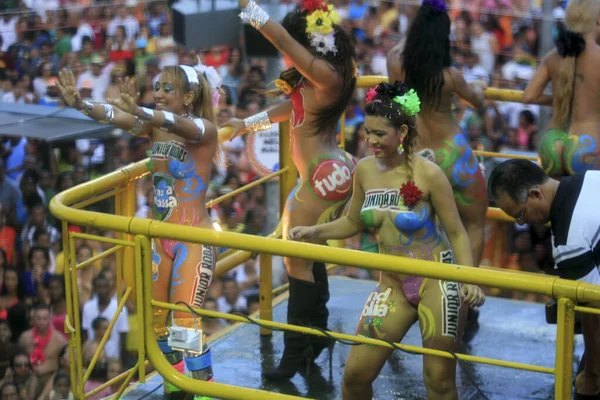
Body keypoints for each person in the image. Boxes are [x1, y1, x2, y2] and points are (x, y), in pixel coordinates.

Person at [289, 82, 485, 399]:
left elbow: (458, 231)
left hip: (438, 279)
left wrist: (471, 279)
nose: (370, 140)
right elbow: (353, 220)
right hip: (391, 283)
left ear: (402, 132)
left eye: (380, 134)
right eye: (368, 132)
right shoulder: (363, 170)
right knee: (354, 375)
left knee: (438, 380)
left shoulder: (430, 173)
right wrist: (315, 232)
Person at [56, 62, 222, 395]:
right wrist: (79, 104)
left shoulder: (205, 129)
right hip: (162, 239)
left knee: (186, 323)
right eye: (157, 87)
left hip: (193, 240)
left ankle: (204, 392)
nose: (159, 94)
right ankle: (177, 387)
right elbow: (113, 116)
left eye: (167, 89)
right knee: (158, 322)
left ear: (190, 96)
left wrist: (143, 110)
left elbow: (172, 123)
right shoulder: (154, 128)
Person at [221, 0, 358, 381]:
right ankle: (316, 337)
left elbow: (278, 37)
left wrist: (250, 7)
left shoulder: (325, 73)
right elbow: (292, 108)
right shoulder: (324, 75)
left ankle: (297, 350)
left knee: (295, 260)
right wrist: (245, 123)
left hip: (320, 176)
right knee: (309, 254)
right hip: (324, 171)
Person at [386, 0, 488, 335]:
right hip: (454, 156)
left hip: (419, 159)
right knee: (472, 224)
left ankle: (412, 297)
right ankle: (466, 299)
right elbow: (479, 101)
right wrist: (481, 91)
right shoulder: (450, 77)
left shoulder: (396, 66)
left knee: (417, 229)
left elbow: (402, 74)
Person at [488, 159, 600, 398]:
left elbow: (595, 311)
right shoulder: (590, 178)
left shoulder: (569, 240)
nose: (521, 222)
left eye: (520, 214)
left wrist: (592, 374)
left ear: (536, 194)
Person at [522, 0, 600, 178]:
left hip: (552, 141)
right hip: (588, 144)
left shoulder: (553, 57)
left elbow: (528, 97)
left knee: (555, 202)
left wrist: (557, 98)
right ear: (598, 20)